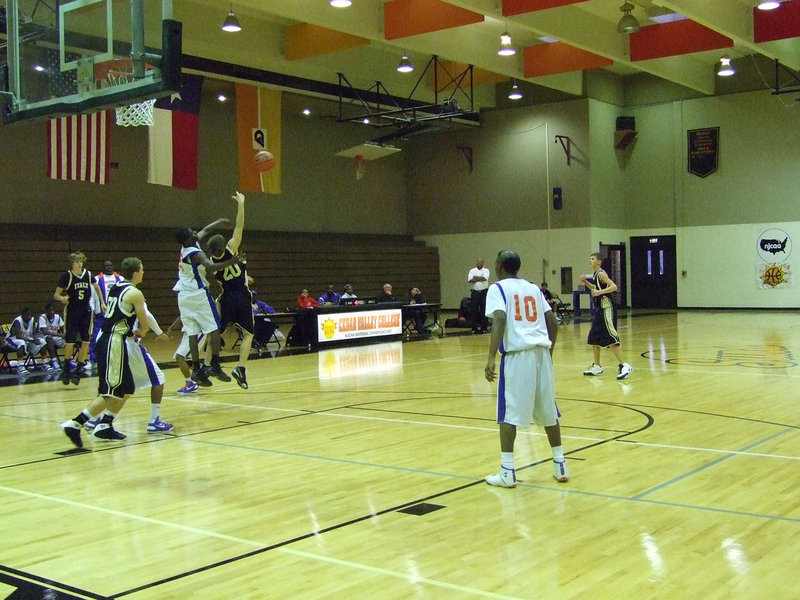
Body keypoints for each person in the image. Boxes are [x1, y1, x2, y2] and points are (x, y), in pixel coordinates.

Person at [484, 250, 568, 487]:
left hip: (517, 356)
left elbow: (499, 319)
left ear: (499, 266)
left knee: (508, 414)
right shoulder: (533, 288)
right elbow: (553, 322)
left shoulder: (497, 289)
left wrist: (491, 357)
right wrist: (548, 353)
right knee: (549, 410)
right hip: (541, 353)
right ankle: (560, 465)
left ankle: (507, 471)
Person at [60, 257, 152, 447]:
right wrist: (140, 332)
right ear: (135, 273)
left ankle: (105, 425)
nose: (144, 272)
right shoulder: (135, 293)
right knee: (110, 392)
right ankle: (75, 424)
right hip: (113, 342)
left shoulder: (116, 287)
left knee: (127, 387)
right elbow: (145, 325)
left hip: (107, 338)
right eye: (142, 269)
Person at [84, 302, 174, 434]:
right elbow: (146, 314)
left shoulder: (114, 298)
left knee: (115, 384)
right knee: (158, 379)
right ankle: (154, 421)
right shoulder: (134, 295)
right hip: (127, 345)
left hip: (107, 342)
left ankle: (95, 419)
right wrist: (160, 332)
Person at [174, 219, 243, 386]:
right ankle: (215, 365)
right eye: (191, 232)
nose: (195, 232)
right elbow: (211, 267)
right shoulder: (196, 254)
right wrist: (232, 262)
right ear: (187, 239)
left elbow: (205, 230)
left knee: (192, 332)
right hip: (198, 294)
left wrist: (220, 221)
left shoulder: (187, 246)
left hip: (183, 296)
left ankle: (197, 370)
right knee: (214, 328)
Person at [207, 191, 253, 390]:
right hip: (242, 296)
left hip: (226, 297)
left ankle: (209, 366)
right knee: (248, 335)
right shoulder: (232, 247)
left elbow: (221, 281)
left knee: (216, 334)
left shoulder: (211, 264)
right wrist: (241, 204)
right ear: (223, 245)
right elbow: (239, 225)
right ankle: (240, 368)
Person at [53, 251, 105, 385]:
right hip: (72, 312)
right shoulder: (67, 276)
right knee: (70, 341)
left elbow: (97, 287)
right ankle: (66, 369)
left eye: (81, 261)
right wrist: (62, 298)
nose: (80, 264)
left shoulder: (88, 275)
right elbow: (56, 295)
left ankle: (79, 370)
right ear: (72, 263)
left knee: (86, 341)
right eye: (77, 261)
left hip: (86, 312)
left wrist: (102, 302)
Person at [580, 252, 632, 380]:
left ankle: (624, 365)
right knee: (593, 337)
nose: (590, 261)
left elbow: (614, 287)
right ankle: (597, 366)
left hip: (607, 309)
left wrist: (599, 292)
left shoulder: (601, 274)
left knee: (610, 337)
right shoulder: (595, 274)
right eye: (589, 259)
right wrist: (586, 282)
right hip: (600, 310)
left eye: (592, 259)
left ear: (599, 261)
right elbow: (595, 288)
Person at [88, 260, 123, 373]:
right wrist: (92, 310)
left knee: (117, 337)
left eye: (110, 265)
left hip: (117, 314)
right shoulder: (97, 279)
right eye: (106, 266)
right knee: (96, 337)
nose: (108, 267)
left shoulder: (120, 279)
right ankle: (93, 360)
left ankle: (115, 359)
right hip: (101, 314)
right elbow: (92, 297)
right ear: (102, 267)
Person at [7, 307, 47, 375]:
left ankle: (45, 363)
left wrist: (36, 339)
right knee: (21, 342)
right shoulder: (17, 321)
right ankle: (20, 366)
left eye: (30, 315)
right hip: (12, 340)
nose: (29, 317)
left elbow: (34, 333)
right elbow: (18, 336)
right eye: (27, 315)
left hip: (27, 340)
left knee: (42, 341)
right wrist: (32, 340)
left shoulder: (32, 320)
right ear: (22, 315)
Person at [38, 303, 66, 371]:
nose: (52, 312)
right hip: (43, 338)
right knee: (49, 338)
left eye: (53, 310)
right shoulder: (42, 317)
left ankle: (69, 359)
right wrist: (60, 335)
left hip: (55, 337)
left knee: (69, 340)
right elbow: (45, 332)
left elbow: (64, 329)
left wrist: (66, 334)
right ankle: (54, 361)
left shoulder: (58, 317)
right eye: (50, 311)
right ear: (46, 311)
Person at [468, 257, 490, 334]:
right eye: (478, 262)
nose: (479, 263)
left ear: (483, 263)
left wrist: (476, 277)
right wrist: (479, 278)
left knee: (484, 310)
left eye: (480, 262)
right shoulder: (472, 270)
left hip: (484, 292)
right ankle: (474, 328)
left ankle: (484, 328)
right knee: (474, 310)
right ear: (476, 263)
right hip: (475, 292)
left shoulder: (486, 270)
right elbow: (470, 280)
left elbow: (484, 278)